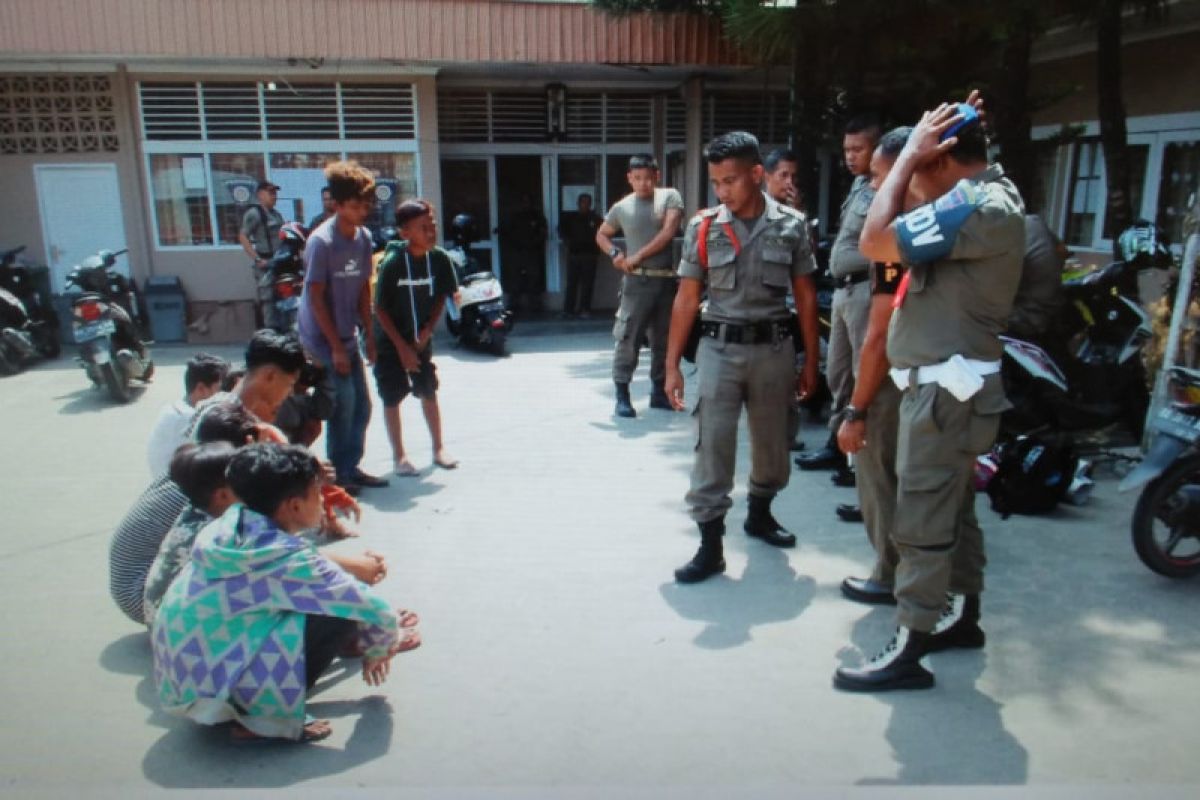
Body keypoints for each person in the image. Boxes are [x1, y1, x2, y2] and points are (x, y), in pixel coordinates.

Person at [834, 96, 1025, 692]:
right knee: (955, 511)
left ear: (940, 161)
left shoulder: (978, 205)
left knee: (919, 521)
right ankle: (964, 619)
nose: (900, 185)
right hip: (947, 389)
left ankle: (909, 645)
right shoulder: (975, 201)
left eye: (910, 171)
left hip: (947, 394)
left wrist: (913, 155)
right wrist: (927, 144)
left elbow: (875, 241)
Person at [152, 443, 417, 743]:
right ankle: (260, 720)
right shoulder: (286, 559)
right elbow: (375, 609)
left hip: (181, 682)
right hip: (218, 690)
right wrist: (379, 649)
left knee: (318, 598)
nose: (321, 499)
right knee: (336, 613)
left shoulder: (230, 524)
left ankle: (249, 701)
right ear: (293, 506)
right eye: (317, 492)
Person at [664, 131, 820, 584]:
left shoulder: (791, 225)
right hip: (718, 350)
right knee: (712, 446)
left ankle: (760, 513)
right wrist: (672, 365)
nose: (722, 191)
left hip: (774, 349)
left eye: (730, 181)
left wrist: (809, 360)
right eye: (716, 182)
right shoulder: (704, 226)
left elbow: (806, 297)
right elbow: (686, 299)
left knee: (773, 444)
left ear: (756, 175)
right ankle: (710, 545)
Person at [831, 127, 913, 606]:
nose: (874, 187)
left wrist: (856, 409)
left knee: (878, 470)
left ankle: (889, 570)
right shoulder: (946, 219)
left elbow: (878, 335)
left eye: (881, 175)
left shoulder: (895, 235)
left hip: (894, 373)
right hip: (929, 373)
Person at [796, 115, 882, 488]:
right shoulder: (861, 185)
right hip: (845, 291)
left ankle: (862, 468)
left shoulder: (892, 190)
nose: (849, 156)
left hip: (868, 290)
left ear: (878, 149)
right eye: (846, 150)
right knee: (840, 374)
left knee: (866, 376)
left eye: (857, 149)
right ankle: (838, 443)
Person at [297, 160, 388, 493]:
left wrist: (369, 332)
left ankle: (351, 466)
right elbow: (316, 298)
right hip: (321, 337)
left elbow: (364, 287)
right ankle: (338, 475)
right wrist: (334, 347)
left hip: (347, 333)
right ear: (336, 205)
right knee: (343, 403)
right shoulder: (322, 242)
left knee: (362, 405)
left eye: (365, 205)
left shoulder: (363, 237)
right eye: (354, 206)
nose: (361, 212)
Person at [373, 199, 459, 475]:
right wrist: (402, 348)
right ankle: (399, 456)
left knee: (428, 390)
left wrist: (427, 330)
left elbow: (443, 295)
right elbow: (380, 309)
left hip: (419, 340)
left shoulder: (440, 259)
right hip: (390, 341)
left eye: (432, 225)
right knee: (392, 395)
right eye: (423, 228)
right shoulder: (394, 264)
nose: (431, 232)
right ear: (405, 232)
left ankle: (438, 448)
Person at [595, 154, 685, 417]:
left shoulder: (669, 197)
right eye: (638, 178)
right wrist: (615, 254)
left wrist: (637, 255)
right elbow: (601, 234)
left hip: (667, 280)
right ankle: (622, 395)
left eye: (648, 177)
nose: (643, 183)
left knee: (664, 340)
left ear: (657, 176)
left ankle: (659, 392)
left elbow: (668, 232)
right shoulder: (622, 207)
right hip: (637, 282)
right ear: (629, 178)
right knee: (628, 337)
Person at [141, 441, 240, 627]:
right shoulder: (216, 534)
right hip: (185, 630)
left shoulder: (192, 513)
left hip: (163, 623)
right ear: (223, 495)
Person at [145, 352, 229, 476]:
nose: (224, 395)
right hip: (178, 488)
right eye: (220, 389)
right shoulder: (190, 418)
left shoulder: (176, 408)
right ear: (201, 388)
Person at [1008, 214, 1067, 342]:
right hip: (1053, 310)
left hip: (1029, 318)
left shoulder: (1005, 237)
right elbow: (1063, 251)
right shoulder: (1034, 221)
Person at [238, 179, 285, 329]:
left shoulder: (276, 215)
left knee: (282, 299)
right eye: (270, 193)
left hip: (278, 263)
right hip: (265, 265)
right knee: (268, 301)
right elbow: (243, 236)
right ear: (260, 195)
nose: (274, 196)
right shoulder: (255, 214)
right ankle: (269, 337)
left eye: (275, 193)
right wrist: (257, 258)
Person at [558, 193, 603, 318]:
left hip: (590, 255)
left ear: (591, 204)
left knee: (587, 283)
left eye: (588, 202)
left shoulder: (596, 219)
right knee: (572, 283)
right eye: (583, 202)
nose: (585, 204)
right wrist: (568, 242)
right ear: (578, 203)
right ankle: (568, 310)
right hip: (574, 255)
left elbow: (604, 233)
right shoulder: (570, 218)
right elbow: (561, 231)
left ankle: (585, 309)